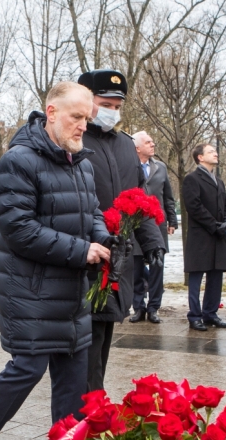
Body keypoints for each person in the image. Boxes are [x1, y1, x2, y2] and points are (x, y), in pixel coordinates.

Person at [0, 82, 112, 440]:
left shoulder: (83, 163)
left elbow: (93, 212)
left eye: (87, 119)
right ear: (52, 111)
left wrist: (103, 239)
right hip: (31, 291)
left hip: (72, 292)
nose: (83, 127)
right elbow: (19, 229)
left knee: (73, 385)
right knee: (26, 369)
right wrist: (82, 251)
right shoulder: (19, 161)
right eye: (77, 118)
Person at [78, 69, 165, 391]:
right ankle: (83, 410)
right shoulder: (74, 140)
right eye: (105, 103)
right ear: (87, 102)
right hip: (84, 254)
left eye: (117, 105)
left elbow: (138, 200)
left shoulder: (126, 145)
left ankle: (92, 404)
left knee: (102, 337)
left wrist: (153, 240)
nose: (111, 111)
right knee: (84, 342)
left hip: (118, 258)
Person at [129, 131, 178, 324]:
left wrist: (172, 220)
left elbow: (168, 197)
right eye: (148, 142)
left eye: (152, 141)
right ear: (137, 147)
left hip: (157, 223)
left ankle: (154, 307)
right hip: (135, 224)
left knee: (158, 266)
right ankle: (138, 307)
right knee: (137, 268)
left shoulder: (161, 167)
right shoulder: (129, 167)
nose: (153, 144)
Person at [182, 143, 226, 331]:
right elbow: (194, 207)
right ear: (200, 157)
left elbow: (225, 206)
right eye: (211, 151)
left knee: (215, 276)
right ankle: (195, 315)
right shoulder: (192, 179)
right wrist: (214, 225)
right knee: (196, 277)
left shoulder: (219, 181)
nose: (216, 154)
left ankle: (210, 313)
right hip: (201, 237)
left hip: (218, 237)